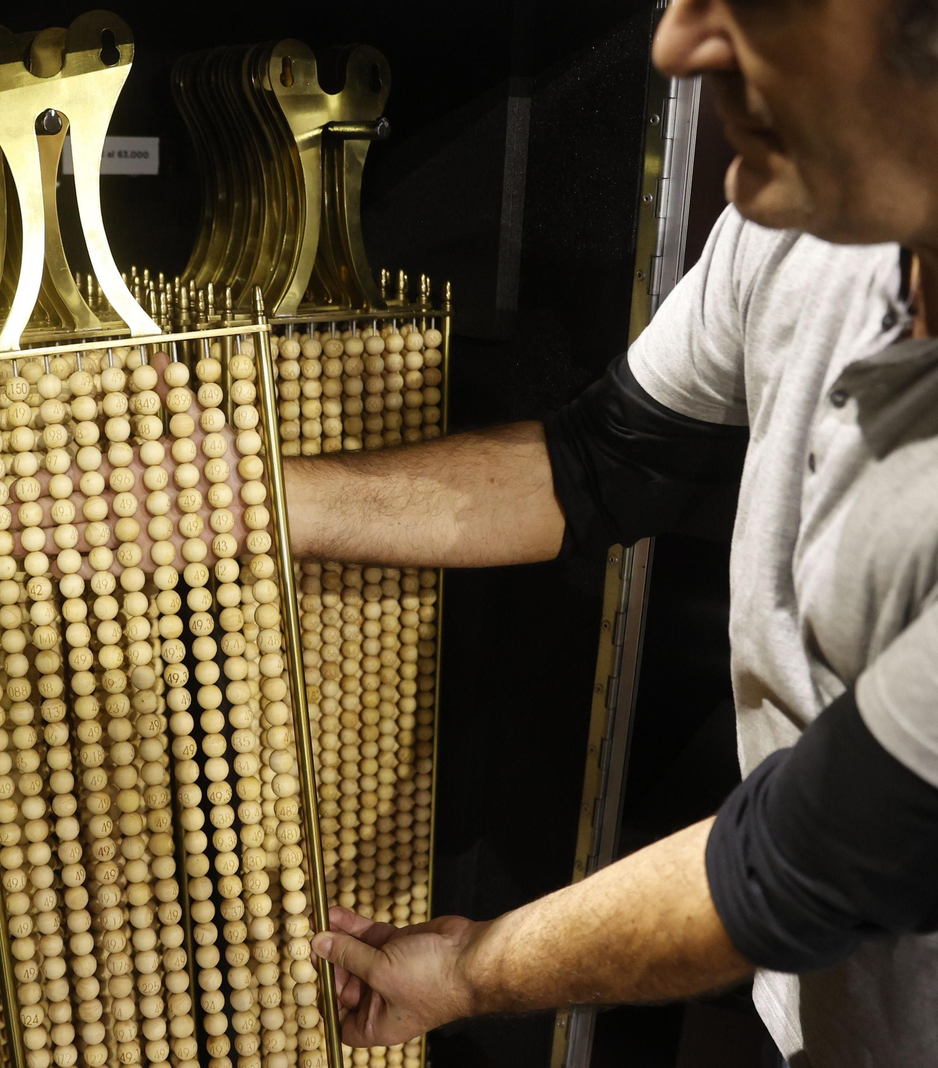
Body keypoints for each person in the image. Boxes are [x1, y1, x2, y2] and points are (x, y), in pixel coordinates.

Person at [291, 1, 938, 1065]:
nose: (676, 47)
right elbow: (599, 466)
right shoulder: (804, 227)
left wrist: (464, 971)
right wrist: (258, 507)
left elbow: (791, 871)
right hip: (820, 1012)